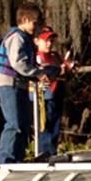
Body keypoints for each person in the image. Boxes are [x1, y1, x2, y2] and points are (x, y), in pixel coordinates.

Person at [0, 2, 59, 163]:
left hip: (20, 85)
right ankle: (4, 160)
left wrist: (52, 71)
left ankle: (18, 160)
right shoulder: (16, 37)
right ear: (25, 19)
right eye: (35, 23)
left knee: (24, 125)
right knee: (14, 123)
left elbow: (32, 65)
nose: (36, 27)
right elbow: (18, 64)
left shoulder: (26, 40)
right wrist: (37, 74)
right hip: (9, 83)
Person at [33, 27, 71, 157]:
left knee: (56, 125)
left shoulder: (56, 56)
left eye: (52, 41)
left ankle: (52, 153)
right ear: (37, 41)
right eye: (46, 41)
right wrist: (57, 70)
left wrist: (70, 68)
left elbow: (64, 73)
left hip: (57, 93)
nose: (50, 44)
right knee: (45, 126)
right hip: (44, 95)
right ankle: (45, 155)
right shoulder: (36, 57)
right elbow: (41, 71)